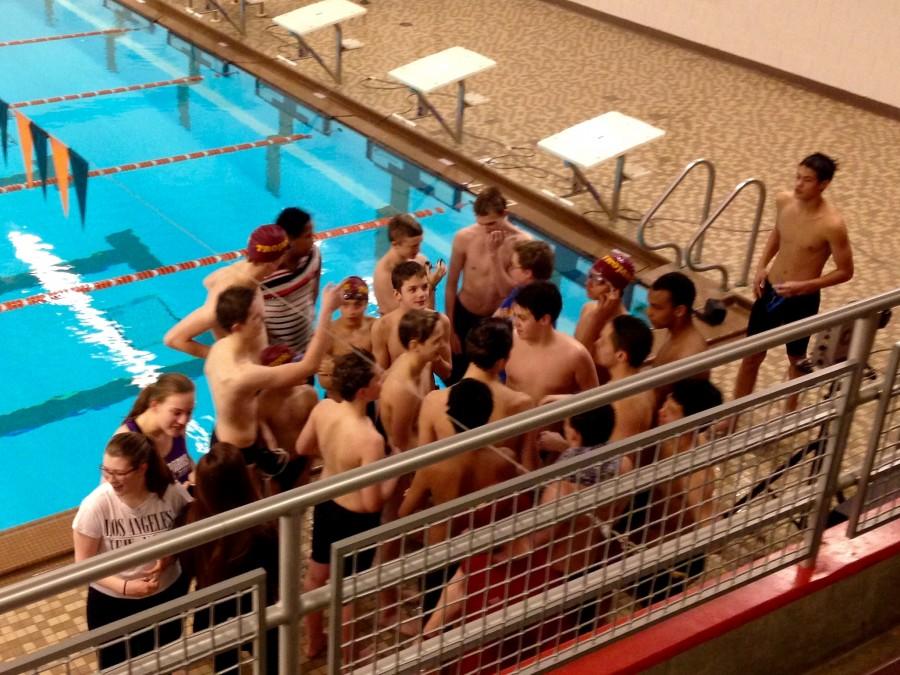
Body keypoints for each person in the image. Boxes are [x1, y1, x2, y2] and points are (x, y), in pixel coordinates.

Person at [295, 351, 397, 659]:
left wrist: (334, 459)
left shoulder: (324, 408)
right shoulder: (370, 439)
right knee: (349, 590)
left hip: (327, 502)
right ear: (364, 391)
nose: (384, 380)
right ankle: (350, 655)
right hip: (355, 518)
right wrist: (396, 469)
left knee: (316, 576)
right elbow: (371, 502)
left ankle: (314, 641)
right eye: (378, 378)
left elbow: (302, 447)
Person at [732, 153, 853, 404]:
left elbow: (845, 271)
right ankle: (731, 415)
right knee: (751, 355)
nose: (798, 184)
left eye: (806, 180)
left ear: (824, 184)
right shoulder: (784, 201)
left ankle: (790, 413)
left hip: (802, 299)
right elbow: (777, 233)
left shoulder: (832, 224)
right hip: (771, 292)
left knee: (796, 359)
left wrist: (807, 285)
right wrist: (760, 266)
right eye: (797, 177)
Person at [399, 379, 519, 623]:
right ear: (488, 415)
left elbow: (405, 512)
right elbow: (508, 502)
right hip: (481, 546)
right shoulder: (505, 460)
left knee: (434, 615)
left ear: (449, 414)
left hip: (441, 548)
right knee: (475, 614)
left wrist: (431, 507)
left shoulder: (433, 465)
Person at [73, 432, 191, 669]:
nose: (111, 479)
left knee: (162, 662)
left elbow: (190, 535)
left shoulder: (170, 493)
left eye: (119, 473)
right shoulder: (96, 505)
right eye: (106, 471)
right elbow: (83, 565)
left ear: (142, 469)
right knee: (116, 666)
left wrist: (168, 559)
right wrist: (126, 587)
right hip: (112, 604)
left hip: (166, 594)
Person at [204, 283, 339, 485]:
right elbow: (309, 366)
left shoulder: (219, 347)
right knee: (254, 506)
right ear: (237, 327)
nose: (262, 320)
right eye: (256, 318)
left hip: (224, 433)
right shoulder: (241, 374)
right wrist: (327, 310)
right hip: (240, 452)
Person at [614, 379, 723, 606]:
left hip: (670, 565)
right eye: (665, 404)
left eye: (671, 411)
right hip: (643, 540)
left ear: (691, 424)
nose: (661, 412)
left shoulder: (696, 470)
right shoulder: (667, 436)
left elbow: (713, 531)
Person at [182, 443, 278, 675]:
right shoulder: (261, 527)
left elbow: (186, 569)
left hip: (214, 608)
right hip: (257, 607)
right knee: (272, 660)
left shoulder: (189, 520)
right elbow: (275, 574)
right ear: (242, 480)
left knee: (225, 665)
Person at [418, 318, 536, 468]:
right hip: (499, 487)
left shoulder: (432, 401)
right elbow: (529, 468)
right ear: (502, 362)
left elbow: (422, 464)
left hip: (450, 487)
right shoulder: (522, 404)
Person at [164, 224, 290, 359]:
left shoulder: (243, 270)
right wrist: (228, 361)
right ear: (272, 264)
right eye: (285, 255)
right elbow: (174, 339)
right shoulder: (228, 296)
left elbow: (208, 281)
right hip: (248, 373)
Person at [446, 187, 530, 382]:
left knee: (490, 377)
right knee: (458, 375)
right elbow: (451, 285)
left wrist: (495, 254)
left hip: (497, 320)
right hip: (464, 315)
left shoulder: (521, 244)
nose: (487, 229)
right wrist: (451, 330)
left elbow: (513, 292)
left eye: (492, 223)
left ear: (505, 214)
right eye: (482, 224)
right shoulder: (464, 238)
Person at [540, 314, 655, 454]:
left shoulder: (625, 404)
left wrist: (562, 446)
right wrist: (570, 400)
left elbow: (613, 460)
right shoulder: (634, 384)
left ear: (620, 356)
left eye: (604, 341)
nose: (597, 343)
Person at [506, 281, 599, 403]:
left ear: (544, 319)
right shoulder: (509, 340)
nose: (515, 323)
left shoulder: (575, 355)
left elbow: (595, 402)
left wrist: (567, 400)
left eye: (522, 318)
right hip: (511, 421)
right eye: (515, 316)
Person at [372, 261, 452, 383]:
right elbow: (380, 379)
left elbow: (446, 374)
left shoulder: (441, 321)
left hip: (427, 397)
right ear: (397, 294)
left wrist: (433, 355)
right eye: (413, 289)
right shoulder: (383, 327)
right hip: (398, 398)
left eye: (425, 287)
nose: (421, 294)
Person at [379, 309, 447, 454]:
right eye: (436, 341)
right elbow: (401, 443)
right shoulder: (404, 389)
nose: (442, 345)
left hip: (422, 434)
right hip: (407, 456)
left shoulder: (424, 362)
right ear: (414, 346)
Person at [259, 207, 321, 354]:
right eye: (308, 236)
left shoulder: (313, 255)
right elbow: (251, 319)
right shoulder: (263, 276)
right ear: (289, 240)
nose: (313, 240)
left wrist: (307, 313)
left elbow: (315, 285)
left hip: (306, 347)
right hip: (277, 358)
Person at [116, 373, 196, 487]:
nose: (184, 420)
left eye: (189, 412)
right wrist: (176, 496)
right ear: (155, 406)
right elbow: (112, 497)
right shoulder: (126, 441)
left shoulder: (174, 426)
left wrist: (197, 474)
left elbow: (184, 458)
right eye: (176, 412)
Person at [258, 343, 319, 487]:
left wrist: (307, 470)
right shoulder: (261, 404)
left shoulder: (308, 394)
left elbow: (315, 435)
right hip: (278, 465)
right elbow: (265, 447)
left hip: (303, 459)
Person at [647, 272, 709, 406]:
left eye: (656, 307)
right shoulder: (673, 330)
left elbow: (674, 410)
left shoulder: (688, 357)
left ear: (679, 311)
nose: (649, 312)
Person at [373, 214, 446, 315]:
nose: (419, 249)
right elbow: (403, 320)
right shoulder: (383, 275)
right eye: (414, 246)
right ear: (396, 244)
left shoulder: (420, 260)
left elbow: (429, 316)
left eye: (419, 243)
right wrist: (431, 285)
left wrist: (431, 287)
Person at [318, 276, 376, 399]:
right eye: (345, 305)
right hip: (335, 401)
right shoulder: (329, 332)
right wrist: (362, 373)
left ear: (366, 304)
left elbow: (380, 373)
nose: (351, 311)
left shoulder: (375, 328)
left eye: (357, 304)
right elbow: (324, 382)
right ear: (338, 304)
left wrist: (338, 369)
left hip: (365, 400)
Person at [574, 249, 635, 357]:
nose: (587, 284)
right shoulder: (588, 308)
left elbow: (580, 360)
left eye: (597, 280)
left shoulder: (623, 329)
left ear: (615, 291)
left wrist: (597, 321)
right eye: (590, 276)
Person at [494, 239, 555, 319]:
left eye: (513, 265)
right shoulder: (518, 290)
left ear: (527, 273)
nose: (509, 269)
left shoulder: (539, 308)